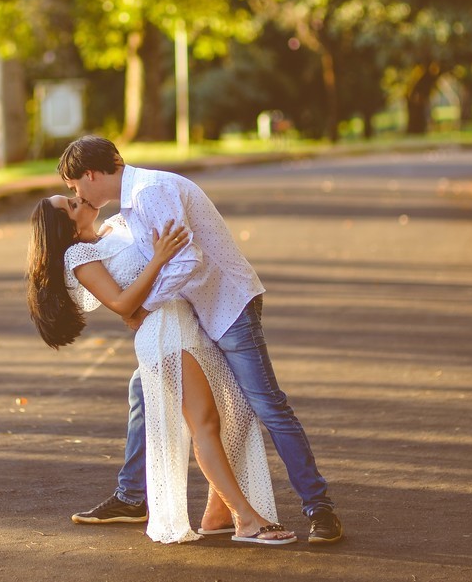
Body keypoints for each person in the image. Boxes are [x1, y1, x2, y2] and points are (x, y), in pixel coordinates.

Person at [58, 135, 344, 545]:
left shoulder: (150, 192)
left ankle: (320, 508)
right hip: (194, 315)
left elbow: (187, 260)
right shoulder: (129, 207)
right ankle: (139, 497)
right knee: (143, 387)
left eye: (74, 187)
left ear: (90, 174)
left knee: (266, 405)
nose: (77, 194)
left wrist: (143, 308)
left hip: (226, 308)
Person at [27, 195, 296, 545]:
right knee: (206, 422)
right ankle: (247, 521)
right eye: (71, 206)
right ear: (68, 227)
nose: (80, 199)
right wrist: (159, 258)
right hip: (163, 334)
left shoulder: (117, 226)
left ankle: (217, 516)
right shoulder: (79, 256)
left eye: (74, 196)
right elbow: (122, 303)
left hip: (191, 323)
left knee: (240, 412)